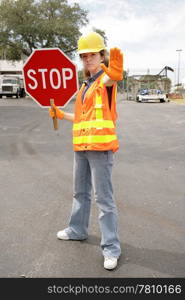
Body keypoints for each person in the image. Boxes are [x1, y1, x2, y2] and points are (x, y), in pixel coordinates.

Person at [49, 31, 123, 270]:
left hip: (100, 149)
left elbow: (112, 80)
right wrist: (62, 114)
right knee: (80, 193)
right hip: (80, 147)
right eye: (83, 56)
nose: (87, 59)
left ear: (102, 55)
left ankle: (111, 248)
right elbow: (82, 118)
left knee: (104, 200)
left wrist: (114, 73)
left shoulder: (105, 80)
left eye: (92, 54)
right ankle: (77, 229)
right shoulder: (84, 86)